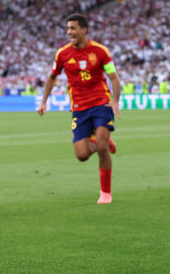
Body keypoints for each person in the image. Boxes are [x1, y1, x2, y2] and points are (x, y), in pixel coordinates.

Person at [37, 14, 120, 204]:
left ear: (84, 30)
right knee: (82, 155)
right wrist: (44, 102)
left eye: (73, 28)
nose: (69, 32)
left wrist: (115, 101)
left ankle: (105, 193)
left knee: (100, 147)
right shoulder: (63, 54)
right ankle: (104, 140)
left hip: (101, 102)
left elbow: (114, 78)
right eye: (68, 29)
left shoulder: (100, 51)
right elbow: (51, 77)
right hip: (79, 107)